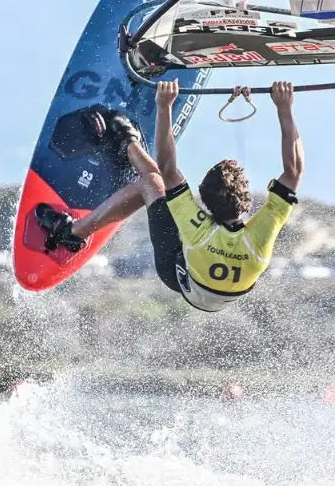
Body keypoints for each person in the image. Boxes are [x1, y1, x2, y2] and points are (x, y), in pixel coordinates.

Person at [36, 80, 303, 312]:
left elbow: (165, 170)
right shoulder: (259, 234)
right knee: (158, 183)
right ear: (246, 205)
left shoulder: (198, 229)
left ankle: (75, 231)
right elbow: (294, 171)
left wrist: (164, 105)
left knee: (152, 182)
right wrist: (285, 108)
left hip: (178, 274)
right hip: (219, 288)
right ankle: (126, 152)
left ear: (205, 206)